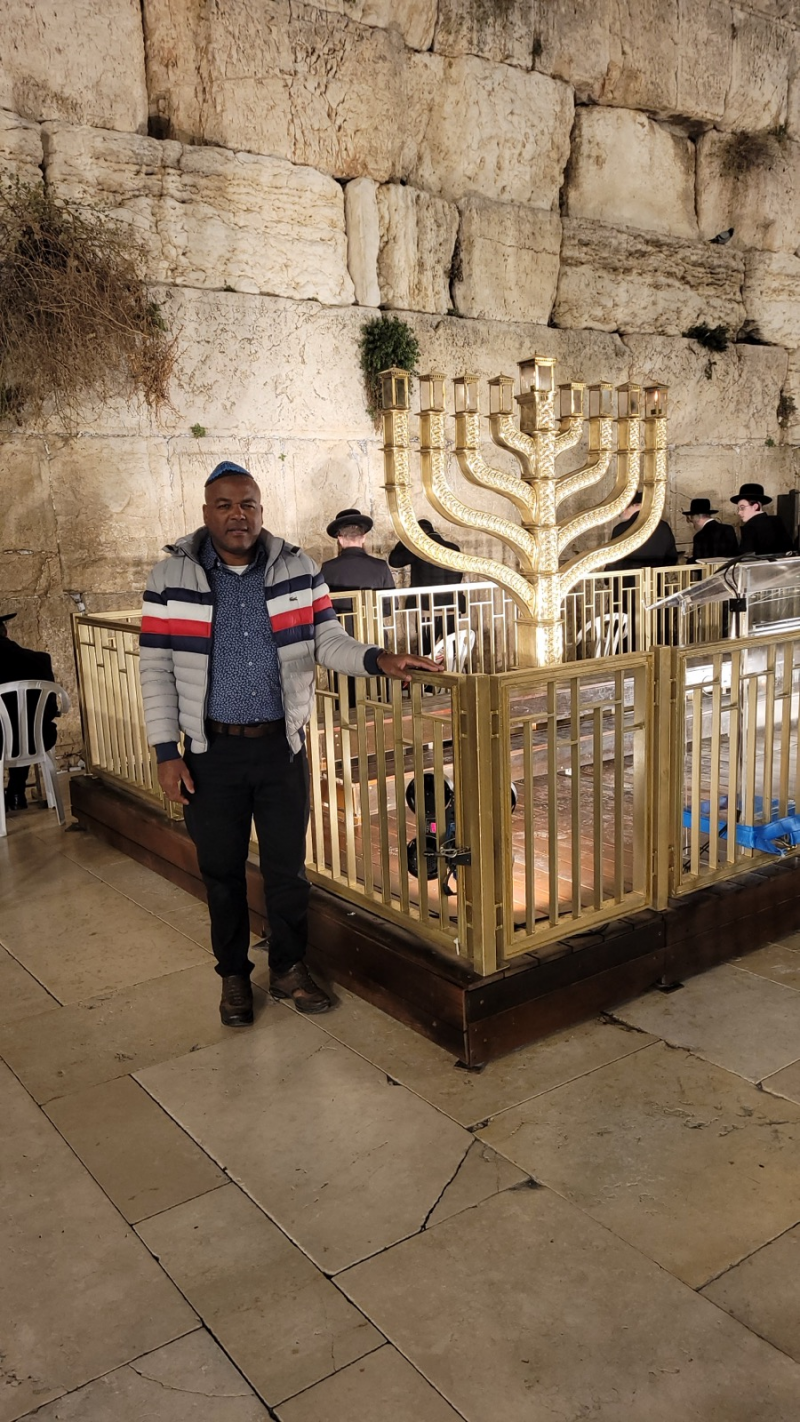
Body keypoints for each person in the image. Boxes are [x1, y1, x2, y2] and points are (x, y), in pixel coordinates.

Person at [139, 462, 438, 1028]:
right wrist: (165, 751)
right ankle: (233, 974)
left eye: (248, 504)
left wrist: (378, 659)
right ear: (206, 513)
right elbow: (155, 668)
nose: (238, 515)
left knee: (287, 868)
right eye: (225, 505)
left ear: (260, 510)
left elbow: (328, 639)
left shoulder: (298, 569)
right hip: (210, 752)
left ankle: (288, 967)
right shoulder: (169, 577)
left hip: (281, 748)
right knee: (221, 871)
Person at [0, 612, 59, 812]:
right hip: (39, 739)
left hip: (1, 743)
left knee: (9, 730)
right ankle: (16, 793)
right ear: (5, 632)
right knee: (23, 726)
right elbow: (52, 709)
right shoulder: (40, 660)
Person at [389, 519, 465, 656]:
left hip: (428, 607)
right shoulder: (453, 548)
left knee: (426, 648)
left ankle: (427, 668)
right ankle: (455, 668)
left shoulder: (420, 548)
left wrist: (406, 539)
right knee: (452, 645)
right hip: (453, 605)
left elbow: (394, 561)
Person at [321, 508, 395, 602]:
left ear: (340, 540)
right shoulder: (381, 567)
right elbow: (392, 604)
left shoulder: (328, 568)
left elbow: (322, 604)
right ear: (363, 538)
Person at [607, 491, 678, 569]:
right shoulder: (664, 526)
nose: (621, 513)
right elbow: (671, 559)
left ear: (635, 505)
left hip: (629, 576)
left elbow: (613, 562)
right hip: (655, 576)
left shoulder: (620, 529)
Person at [731, 483, 792, 556]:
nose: (739, 512)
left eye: (742, 508)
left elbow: (745, 556)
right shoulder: (777, 521)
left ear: (755, 506)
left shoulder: (750, 527)